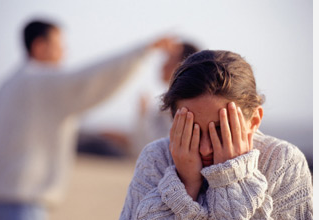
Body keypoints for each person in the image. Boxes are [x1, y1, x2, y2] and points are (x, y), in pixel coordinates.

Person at [0, 19, 173, 220]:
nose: (64, 53)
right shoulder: (40, 82)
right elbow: (92, 79)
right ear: (39, 46)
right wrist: (143, 51)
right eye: (59, 46)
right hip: (20, 205)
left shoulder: (7, 85)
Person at [120, 50, 313, 219]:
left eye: (221, 130)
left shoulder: (283, 162)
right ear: (174, 121)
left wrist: (230, 179)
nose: (205, 148)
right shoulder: (156, 158)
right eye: (192, 130)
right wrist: (185, 185)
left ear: (254, 120)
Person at [130, 41, 199, 155]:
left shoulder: (179, 106)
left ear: (182, 65)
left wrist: (143, 115)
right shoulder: (171, 103)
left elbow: (151, 148)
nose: (163, 64)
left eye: (169, 58)